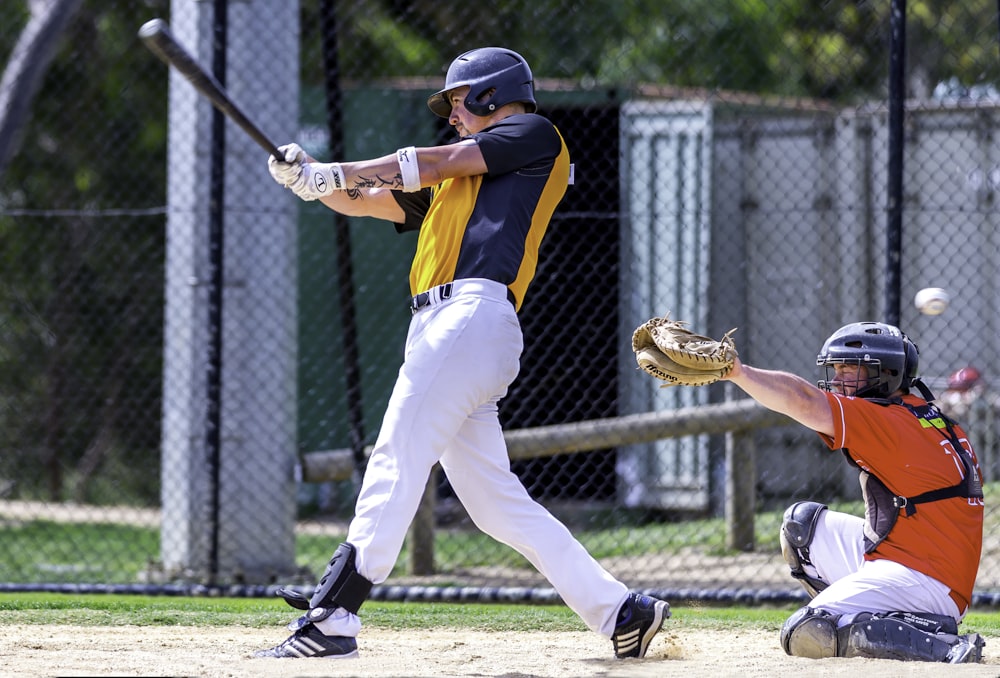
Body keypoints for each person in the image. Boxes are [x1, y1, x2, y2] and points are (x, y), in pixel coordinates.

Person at [256, 47, 670, 660]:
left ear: (489, 92)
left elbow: (439, 159)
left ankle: (334, 615)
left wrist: (337, 169)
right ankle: (622, 613)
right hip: (449, 329)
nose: (452, 113)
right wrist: (313, 180)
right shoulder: (454, 183)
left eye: (457, 100)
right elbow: (370, 198)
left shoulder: (532, 134)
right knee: (496, 506)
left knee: (396, 457)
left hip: (470, 316)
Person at [722, 321, 985, 663]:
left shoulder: (889, 421)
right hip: (911, 560)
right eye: (837, 367)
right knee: (802, 527)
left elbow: (802, 400)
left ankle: (942, 645)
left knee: (807, 630)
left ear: (886, 374)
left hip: (926, 582)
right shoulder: (919, 413)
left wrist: (737, 372)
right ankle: (872, 615)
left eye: (852, 368)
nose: (840, 377)